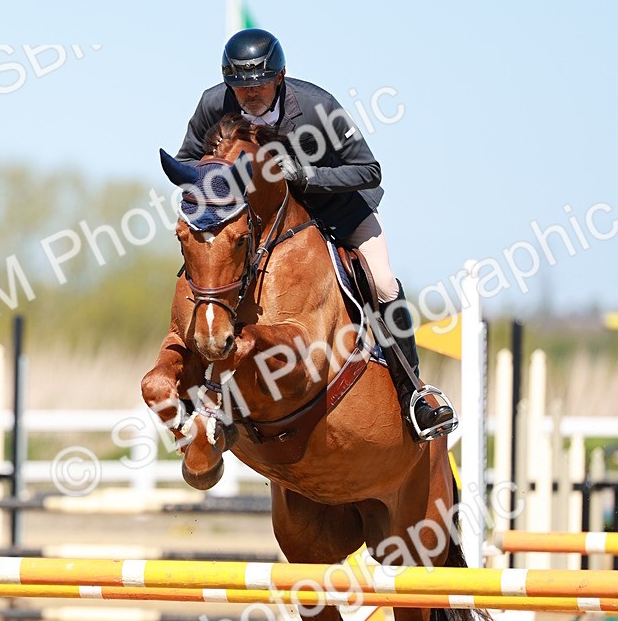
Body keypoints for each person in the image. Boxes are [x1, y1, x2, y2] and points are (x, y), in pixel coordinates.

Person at [176, 28, 456, 440]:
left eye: (258, 86)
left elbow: (369, 170)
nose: (249, 96)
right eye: (239, 87)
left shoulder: (317, 106)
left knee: (381, 282)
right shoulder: (213, 103)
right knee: (211, 265)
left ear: (281, 76)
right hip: (263, 221)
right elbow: (188, 161)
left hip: (339, 208)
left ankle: (413, 393)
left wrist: (304, 176)